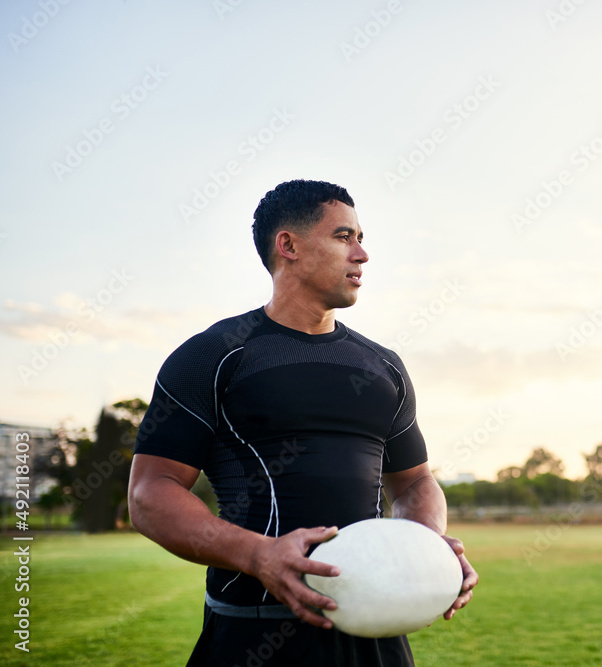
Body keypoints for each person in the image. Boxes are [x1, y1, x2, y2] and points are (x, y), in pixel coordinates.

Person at [127, 179, 477, 666]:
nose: (363, 254)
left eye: (360, 237)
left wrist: (426, 548)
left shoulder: (383, 367)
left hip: (377, 645)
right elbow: (150, 495)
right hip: (251, 638)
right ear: (287, 245)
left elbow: (416, 482)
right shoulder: (213, 356)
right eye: (344, 236)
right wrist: (259, 556)